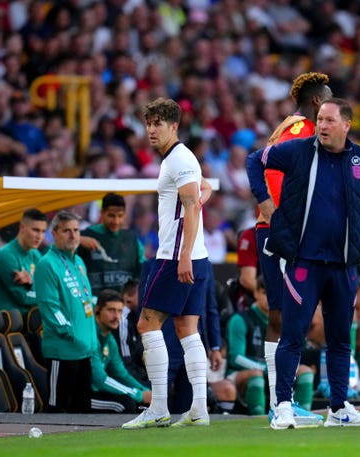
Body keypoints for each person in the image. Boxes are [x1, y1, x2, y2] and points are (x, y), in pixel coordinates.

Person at [247, 97, 360, 429]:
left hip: (343, 265)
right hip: (304, 262)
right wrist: (265, 204)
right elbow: (254, 161)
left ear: (346, 125)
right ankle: (282, 406)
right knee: (293, 334)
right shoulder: (298, 150)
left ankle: (338, 408)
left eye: (329, 120)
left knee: (340, 338)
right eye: (319, 119)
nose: (321, 125)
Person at [122, 97, 215, 429]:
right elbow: (201, 193)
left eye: (158, 123)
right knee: (187, 330)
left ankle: (158, 407)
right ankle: (199, 410)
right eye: (148, 123)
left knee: (147, 325)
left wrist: (184, 255)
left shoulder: (178, 160)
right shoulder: (182, 159)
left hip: (176, 258)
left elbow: (192, 205)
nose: (151, 129)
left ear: (174, 126)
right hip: (195, 257)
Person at [254, 72, 332, 424]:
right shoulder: (302, 129)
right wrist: (278, 212)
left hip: (273, 229)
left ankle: (277, 402)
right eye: (328, 99)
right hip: (282, 232)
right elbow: (271, 169)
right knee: (290, 317)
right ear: (317, 101)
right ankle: (280, 402)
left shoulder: (288, 126)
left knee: (280, 315)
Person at [35, 210, 97, 413]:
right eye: (66, 231)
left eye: (76, 230)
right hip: (62, 351)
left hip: (84, 350)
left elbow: (84, 301)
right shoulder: (46, 264)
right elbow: (50, 307)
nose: (73, 235)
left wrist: (89, 339)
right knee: (57, 409)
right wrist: (70, 332)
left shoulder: (79, 262)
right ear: (54, 233)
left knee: (82, 411)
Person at [225, 276, 315, 416]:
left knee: (305, 371)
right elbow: (235, 358)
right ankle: (259, 418)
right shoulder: (240, 319)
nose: (270, 297)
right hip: (243, 373)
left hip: (276, 371)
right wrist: (265, 368)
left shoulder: (286, 320)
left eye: (276, 293)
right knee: (257, 375)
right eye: (265, 293)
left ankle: (302, 414)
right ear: (255, 293)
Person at [91, 289, 151, 413]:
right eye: (111, 310)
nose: (117, 317)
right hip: (82, 396)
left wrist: (144, 391)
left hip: (98, 392)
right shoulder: (90, 337)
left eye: (120, 311)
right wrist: (139, 394)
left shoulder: (109, 339)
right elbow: (100, 380)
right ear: (97, 310)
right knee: (125, 404)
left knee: (140, 403)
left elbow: (121, 374)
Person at [77, 192, 145, 297]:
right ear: (102, 213)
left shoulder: (132, 239)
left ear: (125, 215)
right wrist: (77, 240)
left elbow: (143, 269)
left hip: (123, 305)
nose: (116, 221)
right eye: (111, 216)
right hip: (95, 303)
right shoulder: (84, 236)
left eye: (120, 216)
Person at [0, 208, 47, 314]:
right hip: (5, 325)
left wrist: (32, 283)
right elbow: (23, 297)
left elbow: (49, 288)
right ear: (22, 227)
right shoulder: (5, 256)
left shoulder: (36, 255)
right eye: (35, 230)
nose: (40, 237)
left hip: (28, 323)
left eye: (43, 232)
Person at [113, 278, 148, 385]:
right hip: (128, 379)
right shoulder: (122, 320)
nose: (145, 297)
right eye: (142, 292)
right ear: (128, 298)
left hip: (138, 373)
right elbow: (126, 362)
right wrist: (145, 384)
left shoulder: (135, 316)